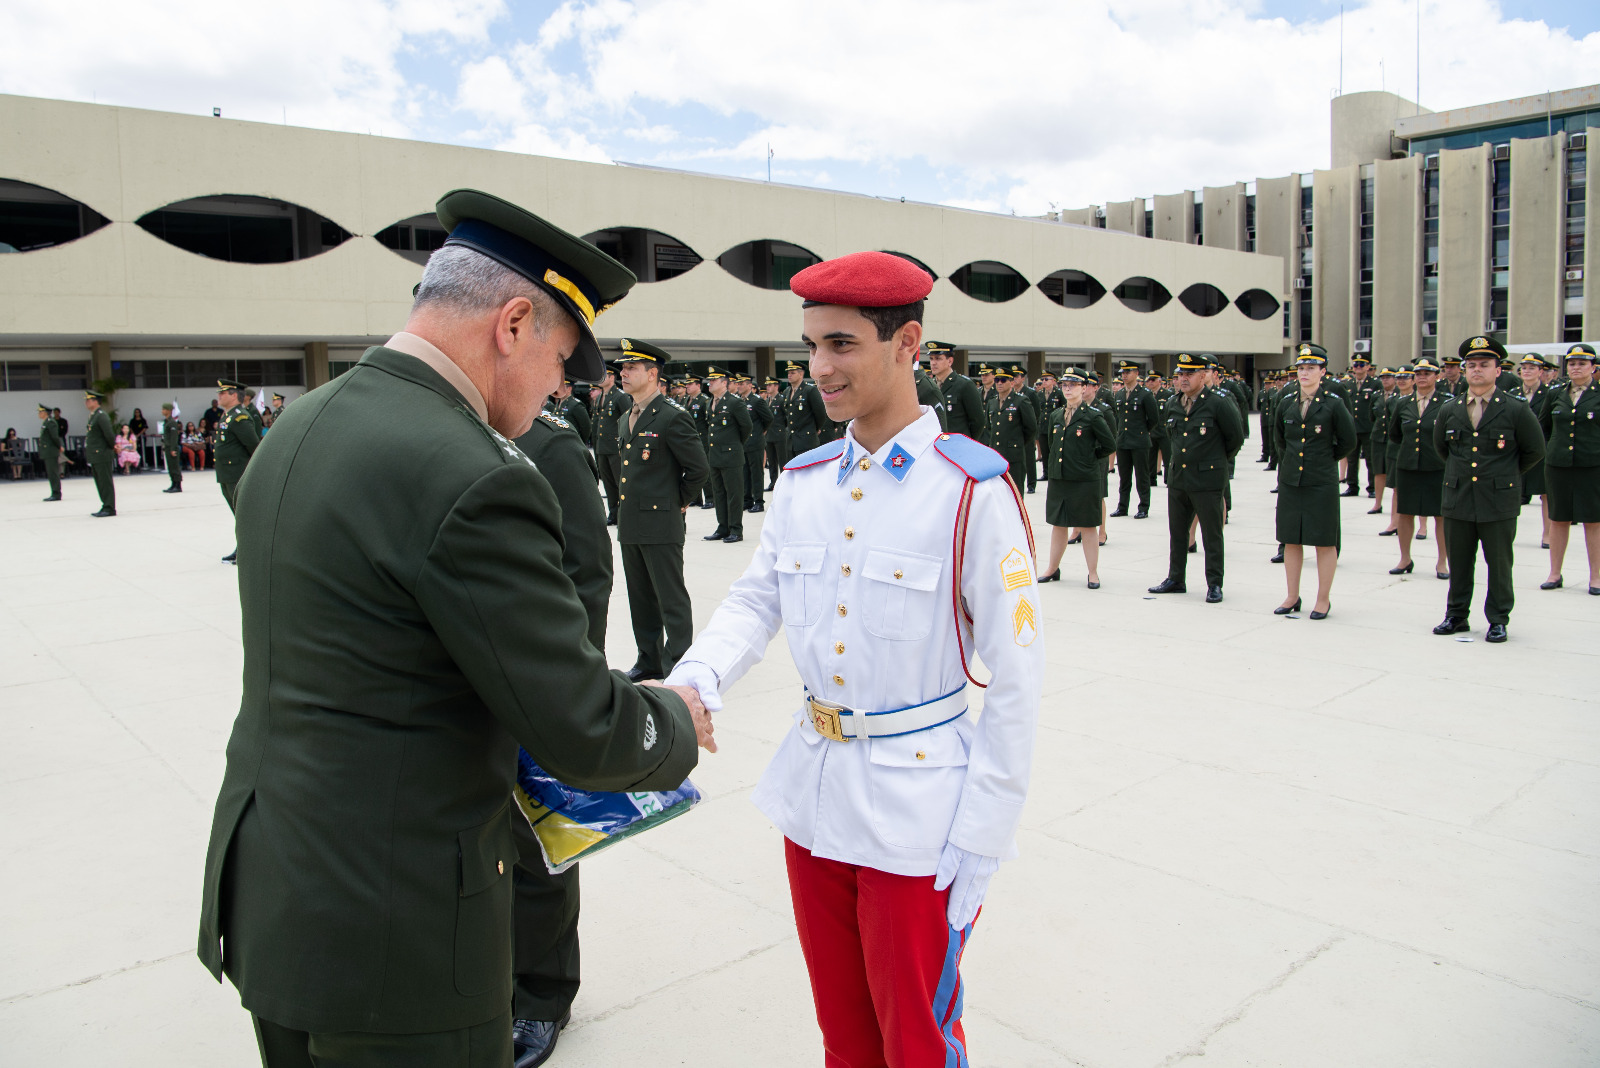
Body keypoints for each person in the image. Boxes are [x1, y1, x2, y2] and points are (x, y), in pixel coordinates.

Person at [198, 189, 713, 1068]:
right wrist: (672, 720)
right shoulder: (473, 472)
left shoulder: (303, 425)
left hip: (272, 895)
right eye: (560, 360)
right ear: (513, 323)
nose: (560, 388)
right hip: (397, 934)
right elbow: (580, 728)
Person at [665, 249, 1041, 1068]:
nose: (817, 369)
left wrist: (984, 832)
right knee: (844, 1033)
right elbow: (755, 600)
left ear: (908, 344)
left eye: (841, 345)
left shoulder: (969, 490)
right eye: (810, 346)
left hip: (919, 814)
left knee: (915, 1038)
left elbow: (1017, 681)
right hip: (815, 795)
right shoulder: (806, 481)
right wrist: (699, 677)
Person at [508, 400, 613, 1068]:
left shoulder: (546, 445)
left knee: (536, 848)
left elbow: (588, 573)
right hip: (451, 682)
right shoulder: (430, 426)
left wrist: (564, 688)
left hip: (528, 683)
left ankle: (542, 997)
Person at [1431, 335, 1545, 642]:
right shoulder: (1449, 409)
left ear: (1499, 370)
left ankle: (1498, 618)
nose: (1477, 370)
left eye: (1485, 364)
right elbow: (1442, 449)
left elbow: (1535, 450)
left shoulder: (1516, 409)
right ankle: (1456, 615)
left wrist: (1505, 473)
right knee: (1459, 561)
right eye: (1472, 365)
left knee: (1499, 563)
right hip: (1458, 497)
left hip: (1499, 499)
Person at [614, 338, 710, 682]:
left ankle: (679, 663)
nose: (623, 373)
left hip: (661, 521)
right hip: (632, 522)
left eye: (631, 368)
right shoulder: (626, 416)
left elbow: (698, 469)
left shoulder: (671, 416)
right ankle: (649, 659)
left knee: (670, 599)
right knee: (640, 599)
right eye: (622, 369)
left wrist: (678, 501)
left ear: (653, 374)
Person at [1148, 352, 1243, 602]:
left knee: (1212, 534)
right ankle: (1176, 578)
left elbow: (1235, 439)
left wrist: (1214, 462)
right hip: (1179, 477)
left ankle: (1214, 583)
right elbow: (1173, 438)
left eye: (1189, 374)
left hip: (1207, 479)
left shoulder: (1218, 403)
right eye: (1181, 374)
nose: (1184, 378)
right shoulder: (1173, 403)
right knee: (1177, 532)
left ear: (1203, 375)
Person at [1272, 344, 1357, 619]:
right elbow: (1280, 440)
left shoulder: (1333, 403)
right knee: (1291, 539)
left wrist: (1322, 460)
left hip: (1321, 480)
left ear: (1323, 371)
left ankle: (1323, 599)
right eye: (1301, 368)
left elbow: (1348, 441)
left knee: (1323, 541)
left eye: (1311, 368)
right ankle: (1292, 595)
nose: (1305, 372)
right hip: (1291, 480)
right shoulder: (1286, 402)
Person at [1038, 367, 1115, 587]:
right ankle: (1052, 568)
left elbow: (1109, 444)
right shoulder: (1056, 415)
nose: (1068, 389)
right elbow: (1053, 447)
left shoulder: (1092, 416)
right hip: (1060, 478)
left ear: (1084, 388)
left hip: (1084, 479)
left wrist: (1088, 459)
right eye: (1064, 385)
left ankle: (1093, 573)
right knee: (1058, 524)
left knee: (1089, 525)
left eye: (1073, 385)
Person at [1540, 343, 1600, 595]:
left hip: (1592, 465)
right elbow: (1542, 427)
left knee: (1593, 521)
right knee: (1559, 518)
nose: (1576, 368)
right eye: (1572, 363)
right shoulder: (1556, 394)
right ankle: (1555, 573)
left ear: (1593, 368)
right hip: (1559, 465)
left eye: (1582, 363)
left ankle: (1596, 577)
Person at [1388, 357, 1449, 578]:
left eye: (1427, 373)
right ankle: (1405, 558)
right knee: (1405, 513)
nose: (1422, 377)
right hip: (1408, 466)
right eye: (1419, 373)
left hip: (1437, 466)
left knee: (1440, 515)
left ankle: (1442, 562)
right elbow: (1395, 434)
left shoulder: (1447, 403)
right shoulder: (1403, 403)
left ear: (1437, 376)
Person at [701, 366, 752, 543]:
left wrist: (735, 445)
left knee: (734, 494)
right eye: (709, 380)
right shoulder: (710, 402)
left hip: (731, 455)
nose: (710, 383)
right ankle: (723, 527)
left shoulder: (734, 402)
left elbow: (746, 427)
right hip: (715, 455)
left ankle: (736, 529)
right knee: (719, 493)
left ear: (724, 383)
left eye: (713, 380)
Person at [214, 379, 261, 562]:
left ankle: (247, 549)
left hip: (237, 474)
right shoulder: (227, 416)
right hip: (227, 474)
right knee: (238, 515)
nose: (219, 395)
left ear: (234, 395)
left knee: (243, 515)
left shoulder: (240, 417)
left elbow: (254, 446)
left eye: (223, 393)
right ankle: (242, 547)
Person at [1110, 359, 1160, 519]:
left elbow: (1153, 419)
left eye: (1128, 372)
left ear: (1137, 374)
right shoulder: (1119, 394)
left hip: (1139, 441)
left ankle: (1143, 506)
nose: (1124, 375)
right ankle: (1122, 506)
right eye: (1122, 373)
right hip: (1123, 441)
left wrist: (1142, 431)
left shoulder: (1145, 394)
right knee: (1124, 477)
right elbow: (1119, 418)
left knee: (1142, 476)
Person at [591, 365, 629, 525]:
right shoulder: (600, 397)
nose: (601, 379)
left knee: (619, 482)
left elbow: (628, 420)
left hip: (615, 448)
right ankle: (613, 513)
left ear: (612, 377)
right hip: (602, 448)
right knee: (608, 483)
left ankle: (625, 514)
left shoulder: (620, 396)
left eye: (604, 376)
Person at [1341, 354, 1383, 497]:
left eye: (1361, 365)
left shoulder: (1375, 384)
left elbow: (1377, 405)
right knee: (1352, 459)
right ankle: (1352, 486)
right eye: (1355, 365)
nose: (1358, 368)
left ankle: (1372, 488)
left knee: (1370, 459)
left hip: (1368, 427)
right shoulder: (1348, 384)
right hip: (1353, 427)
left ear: (1367, 367)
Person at [926, 340, 985, 437]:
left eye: (938, 359)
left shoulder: (964, 385)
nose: (933, 363)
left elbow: (978, 422)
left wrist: (966, 442)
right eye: (931, 359)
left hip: (957, 445)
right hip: (935, 445)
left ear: (950, 361)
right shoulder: (931, 386)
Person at [737, 373, 772, 513]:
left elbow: (769, 418)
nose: (739, 386)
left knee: (756, 473)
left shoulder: (757, 401)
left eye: (742, 383)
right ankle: (747, 500)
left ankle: (759, 501)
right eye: (738, 383)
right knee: (745, 473)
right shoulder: (739, 401)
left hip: (755, 442)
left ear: (750, 385)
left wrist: (761, 431)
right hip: (743, 443)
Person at [783, 359, 828, 456]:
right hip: (791, 441)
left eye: (792, 373)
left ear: (801, 374)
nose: (789, 375)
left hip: (806, 440)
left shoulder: (810, 390)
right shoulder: (787, 391)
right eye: (788, 373)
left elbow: (820, 414)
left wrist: (814, 428)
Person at [83, 390, 116, 517]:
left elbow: (108, 435)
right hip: (95, 454)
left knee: (105, 482)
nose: (86, 402)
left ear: (96, 401)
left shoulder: (101, 415)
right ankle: (105, 505)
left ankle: (109, 507)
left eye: (88, 400)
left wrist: (111, 447)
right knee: (100, 482)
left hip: (102, 453)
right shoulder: (93, 415)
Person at [37, 403, 63, 501]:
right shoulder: (46, 422)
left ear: (45, 413)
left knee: (53, 473)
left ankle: (56, 493)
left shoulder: (50, 422)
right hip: (47, 451)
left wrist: (59, 446)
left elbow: (54, 437)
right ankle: (54, 491)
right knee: (51, 472)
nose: (39, 414)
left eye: (40, 412)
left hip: (51, 451)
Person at [160, 402, 183, 493]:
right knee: (170, 467)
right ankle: (173, 483)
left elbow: (174, 437)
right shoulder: (166, 421)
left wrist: (173, 449)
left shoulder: (172, 422)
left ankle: (178, 485)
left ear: (169, 410)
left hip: (172, 447)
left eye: (164, 409)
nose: (162, 411)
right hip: (168, 447)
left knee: (174, 467)